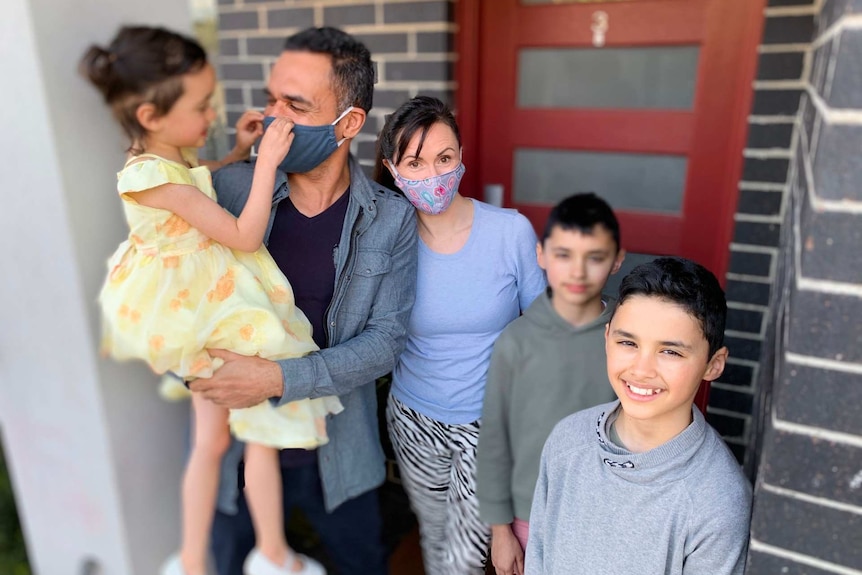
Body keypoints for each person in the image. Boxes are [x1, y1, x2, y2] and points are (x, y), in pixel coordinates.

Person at [82, 26, 344, 575]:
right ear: (152, 115)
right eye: (203, 107)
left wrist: (240, 152)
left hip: (208, 307)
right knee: (237, 439)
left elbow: (195, 189)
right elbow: (242, 235)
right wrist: (267, 161)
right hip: (204, 316)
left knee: (233, 440)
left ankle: (254, 553)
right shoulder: (150, 174)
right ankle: (234, 556)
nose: (210, 115)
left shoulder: (162, 159)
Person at [187, 27, 418, 575]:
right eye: (271, 100)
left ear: (349, 123)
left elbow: (385, 341)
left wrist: (278, 379)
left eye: (295, 104)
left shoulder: (390, 218)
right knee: (227, 562)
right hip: (240, 446)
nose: (275, 118)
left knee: (361, 562)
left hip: (336, 451)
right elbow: (167, 279)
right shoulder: (237, 192)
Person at [374, 96, 547, 575]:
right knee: (434, 535)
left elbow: (544, 335)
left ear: (462, 156)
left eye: (444, 158)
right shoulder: (387, 242)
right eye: (416, 162)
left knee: (465, 556)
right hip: (412, 419)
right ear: (393, 168)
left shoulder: (510, 232)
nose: (433, 175)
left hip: (486, 425)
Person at [525, 257, 753, 575]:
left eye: (670, 351)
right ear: (607, 339)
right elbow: (538, 553)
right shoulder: (568, 438)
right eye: (628, 342)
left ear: (713, 364)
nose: (641, 370)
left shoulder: (717, 501)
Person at [476, 193, 625, 575]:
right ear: (540, 255)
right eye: (563, 255)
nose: (577, 271)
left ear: (617, 259)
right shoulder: (516, 341)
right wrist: (501, 531)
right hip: (528, 517)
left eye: (594, 257)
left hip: (607, 515)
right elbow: (494, 439)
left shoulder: (626, 340)